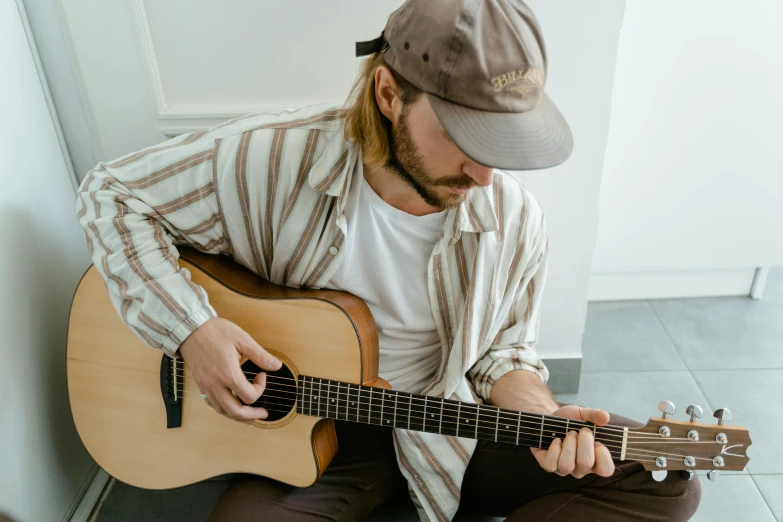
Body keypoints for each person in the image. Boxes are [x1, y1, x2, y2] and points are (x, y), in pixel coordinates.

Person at [76, 0, 701, 520]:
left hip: (443, 423)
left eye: (503, 144)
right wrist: (192, 330)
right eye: (464, 137)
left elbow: (503, 354)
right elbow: (111, 195)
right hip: (309, 436)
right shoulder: (269, 162)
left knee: (668, 483)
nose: (485, 175)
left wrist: (542, 415)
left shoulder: (513, 218)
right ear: (388, 93)